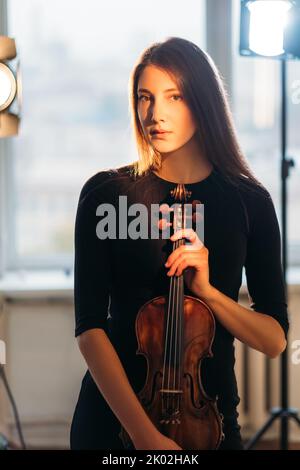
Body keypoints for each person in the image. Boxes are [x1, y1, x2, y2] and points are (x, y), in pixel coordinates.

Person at [70, 37, 289, 450]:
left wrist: (209, 294)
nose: (155, 114)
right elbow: (90, 329)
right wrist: (145, 436)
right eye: (145, 97)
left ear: (203, 101)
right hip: (114, 427)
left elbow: (274, 339)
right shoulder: (105, 195)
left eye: (174, 96)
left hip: (211, 424)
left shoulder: (249, 202)